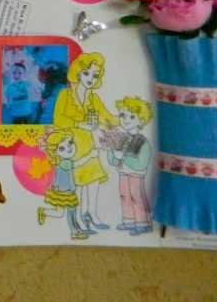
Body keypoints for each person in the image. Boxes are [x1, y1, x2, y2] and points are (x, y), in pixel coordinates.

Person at [52, 52, 118, 232]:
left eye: (95, 75)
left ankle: (92, 214)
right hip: (72, 146)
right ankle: (79, 218)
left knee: (94, 179)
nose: (90, 78)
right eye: (87, 73)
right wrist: (80, 124)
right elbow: (58, 120)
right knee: (78, 183)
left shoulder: (93, 98)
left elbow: (106, 116)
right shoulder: (65, 95)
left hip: (90, 145)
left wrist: (120, 119)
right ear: (78, 72)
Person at [107, 96, 154, 236]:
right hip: (123, 173)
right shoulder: (122, 138)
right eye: (123, 115)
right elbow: (113, 160)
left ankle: (142, 223)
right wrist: (111, 150)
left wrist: (123, 157)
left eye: (132, 117)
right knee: (124, 196)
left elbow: (141, 164)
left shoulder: (143, 142)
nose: (126, 120)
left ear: (142, 120)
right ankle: (128, 221)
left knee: (136, 197)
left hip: (136, 175)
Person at [37, 129, 94, 240]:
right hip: (64, 192)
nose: (69, 149)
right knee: (66, 213)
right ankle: (74, 231)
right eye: (62, 148)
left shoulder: (60, 161)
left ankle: (75, 229)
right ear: (55, 151)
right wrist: (90, 156)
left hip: (65, 191)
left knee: (66, 212)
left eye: (70, 143)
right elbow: (78, 163)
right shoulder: (65, 162)